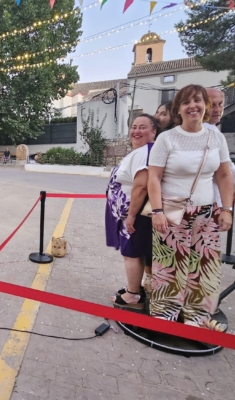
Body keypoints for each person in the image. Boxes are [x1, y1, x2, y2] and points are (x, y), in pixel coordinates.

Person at [148, 84, 234, 330]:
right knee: (169, 266)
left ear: (206, 105)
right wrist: (156, 212)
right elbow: (154, 178)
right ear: (179, 109)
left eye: (197, 100)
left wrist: (226, 209)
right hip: (172, 214)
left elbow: (224, 176)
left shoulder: (215, 137)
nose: (192, 106)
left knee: (203, 265)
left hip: (206, 214)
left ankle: (196, 316)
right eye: (185, 102)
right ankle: (165, 316)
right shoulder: (167, 138)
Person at [107, 115, 159, 310]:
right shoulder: (141, 151)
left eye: (143, 127)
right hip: (133, 213)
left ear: (154, 132)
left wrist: (131, 215)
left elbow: (141, 186)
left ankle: (133, 295)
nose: (136, 131)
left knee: (131, 253)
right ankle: (136, 288)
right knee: (136, 253)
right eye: (134, 127)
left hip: (136, 214)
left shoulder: (146, 151)